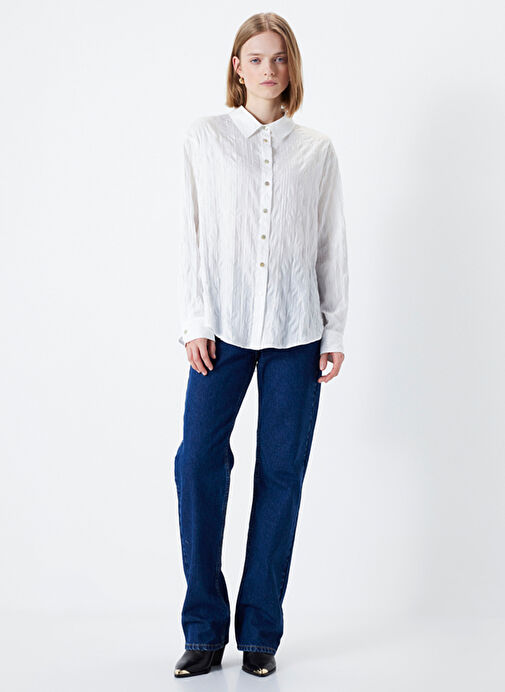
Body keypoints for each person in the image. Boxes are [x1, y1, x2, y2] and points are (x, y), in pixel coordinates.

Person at [173, 11, 349, 678]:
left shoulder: (317, 151)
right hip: (219, 330)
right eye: (256, 58)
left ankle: (259, 635)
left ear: (290, 67)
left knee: (280, 474)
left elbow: (330, 244)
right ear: (237, 67)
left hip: (297, 333)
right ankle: (203, 629)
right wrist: (193, 321)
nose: (268, 69)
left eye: (279, 58)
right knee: (197, 463)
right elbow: (190, 233)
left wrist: (334, 329)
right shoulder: (204, 139)